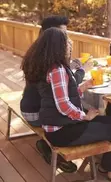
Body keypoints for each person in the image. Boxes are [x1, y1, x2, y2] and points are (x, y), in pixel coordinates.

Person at [21, 27, 111, 180]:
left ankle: (108, 166)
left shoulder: (48, 66)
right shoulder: (58, 70)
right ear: (59, 46)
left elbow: (60, 95)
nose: (70, 44)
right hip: (62, 131)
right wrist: (84, 116)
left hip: (59, 125)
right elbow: (63, 105)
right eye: (67, 42)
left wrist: (84, 86)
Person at [20, 15, 91, 173]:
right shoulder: (48, 60)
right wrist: (80, 71)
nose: (67, 38)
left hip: (28, 106)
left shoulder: (38, 52)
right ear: (50, 33)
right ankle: (50, 147)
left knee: (78, 110)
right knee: (83, 114)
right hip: (37, 113)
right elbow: (65, 95)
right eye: (63, 34)